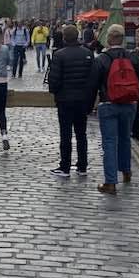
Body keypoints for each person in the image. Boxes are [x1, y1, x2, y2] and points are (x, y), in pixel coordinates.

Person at [94, 24, 139, 195]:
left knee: (110, 143)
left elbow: (94, 83)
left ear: (109, 38)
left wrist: (90, 104)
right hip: (129, 104)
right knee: (125, 139)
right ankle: (126, 172)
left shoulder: (102, 59)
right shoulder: (132, 57)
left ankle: (110, 183)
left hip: (108, 104)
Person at [48, 24, 95, 178]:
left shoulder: (59, 55)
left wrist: (55, 92)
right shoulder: (88, 53)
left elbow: (53, 80)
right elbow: (91, 79)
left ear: (64, 38)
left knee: (66, 134)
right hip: (82, 100)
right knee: (82, 134)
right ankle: (82, 166)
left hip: (65, 100)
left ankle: (65, 167)